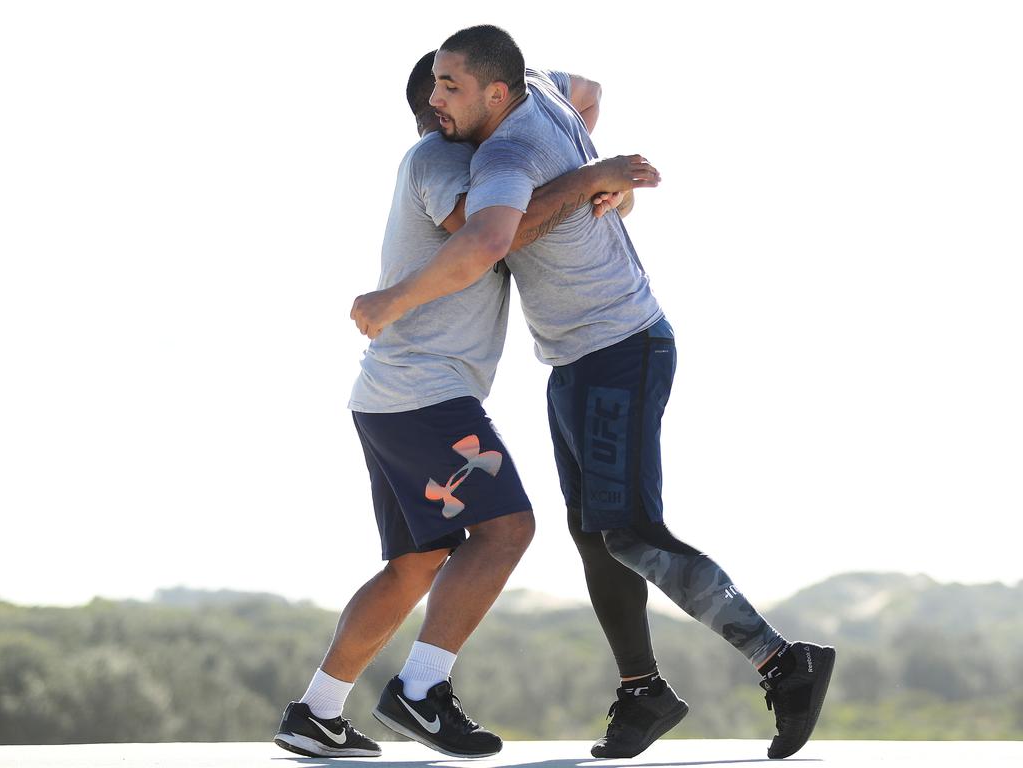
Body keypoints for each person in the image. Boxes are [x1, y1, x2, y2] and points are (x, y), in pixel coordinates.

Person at [350, 26, 836, 761]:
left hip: (620, 347)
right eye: (433, 87)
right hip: (575, 357)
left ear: (497, 90)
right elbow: (591, 94)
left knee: (631, 530)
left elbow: (484, 244)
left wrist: (388, 303)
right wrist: (596, 173)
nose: (434, 100)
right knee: (594, 532)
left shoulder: (505, 155)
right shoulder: (545, 84)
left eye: (449, 87)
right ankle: (642, 690)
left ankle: (782, 662)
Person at [273, 50, 662, 760]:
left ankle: (316, 711)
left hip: (392, 395)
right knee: (508, 529)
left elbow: (587, 93)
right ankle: (421, 690)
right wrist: (590, 180)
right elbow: (492, 238)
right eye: (447, 99)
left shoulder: (509, 122)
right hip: (426, 393)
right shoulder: (440, 160)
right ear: (435, 111)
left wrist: (605, 184)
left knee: (414, 565)